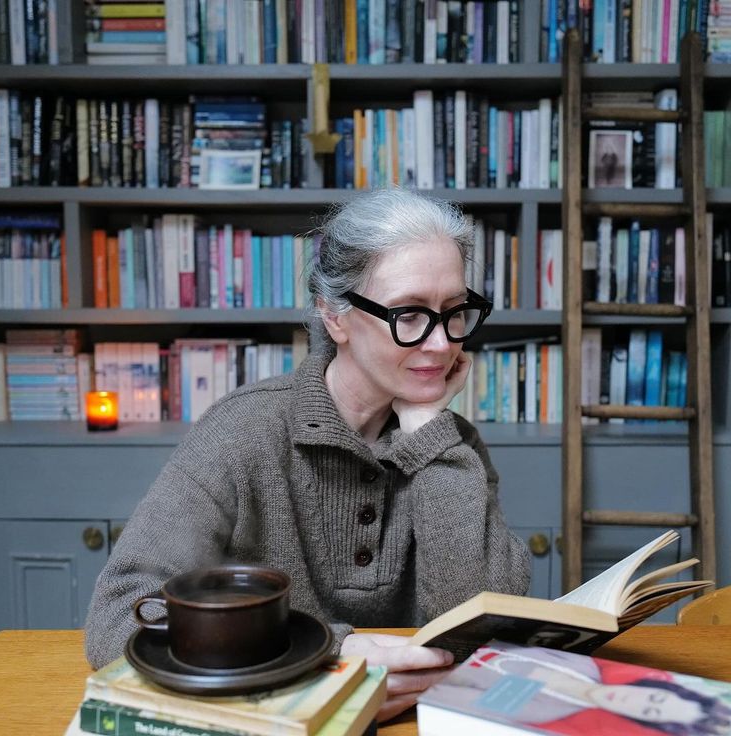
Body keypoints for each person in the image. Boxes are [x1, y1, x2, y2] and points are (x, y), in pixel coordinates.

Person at [84, 187, 531, 720]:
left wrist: (427, 430)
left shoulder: (449, 445)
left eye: (454, 311)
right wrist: (327, 662)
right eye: (409, 314)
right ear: (335, 316)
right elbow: (120, 616)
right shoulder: (243, 432)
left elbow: (484, 631)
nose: (440, 343)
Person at [439, 642, 731, 735]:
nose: (636, 700)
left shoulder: (541, 714)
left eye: (649, 710)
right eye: (655, 698)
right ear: (654, 686)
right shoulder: (584, 665)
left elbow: (446, 695)